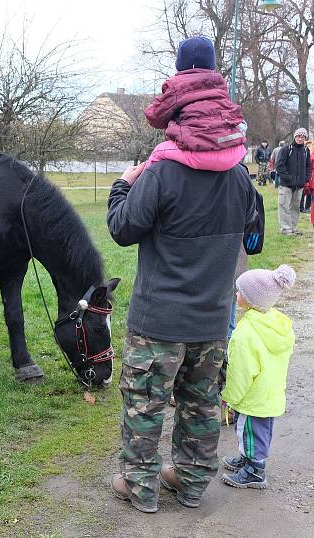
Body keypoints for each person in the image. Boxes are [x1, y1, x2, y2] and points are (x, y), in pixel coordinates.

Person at [106, 37, 258, 514]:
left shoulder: (161, 172)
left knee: (145, 405)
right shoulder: (239, 176)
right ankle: (191, 484)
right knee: (201, 406)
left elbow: (123, 229)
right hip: (212, 321)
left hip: (159, 323)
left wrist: (120, 186)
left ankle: (141, 486)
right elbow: (253, 230)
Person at [221, 265, 296, 489]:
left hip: (252, 398)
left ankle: (255, 471)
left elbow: (241, 372)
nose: (237, 294)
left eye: (240, 292)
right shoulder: (275, 324)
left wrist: (230, 397)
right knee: (258, 432)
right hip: (269, 394)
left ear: (251, 299)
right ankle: (247, 460)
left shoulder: (246, 333)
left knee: (249, 432)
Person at [143, 36, 247, 173]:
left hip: (198, 153)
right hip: (232, 152)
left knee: (158, 151)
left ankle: (141, 184)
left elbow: (155, 117)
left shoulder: (176, 85)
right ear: (212, 63)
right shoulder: (220, 85)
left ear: (180, 63)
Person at [275, 128, 310, 235]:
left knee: (295, 207)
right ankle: (286, 229)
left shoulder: (306, 150)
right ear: (294, 137)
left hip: (299, 185)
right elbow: (279, 165)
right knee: (284, 206)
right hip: (286, 185)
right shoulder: (286, 149)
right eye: (299, 136)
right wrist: (288, 178)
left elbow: (308, 166)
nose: (300, 138)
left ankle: (293, 227)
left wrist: (306, 178)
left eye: (303, 137)